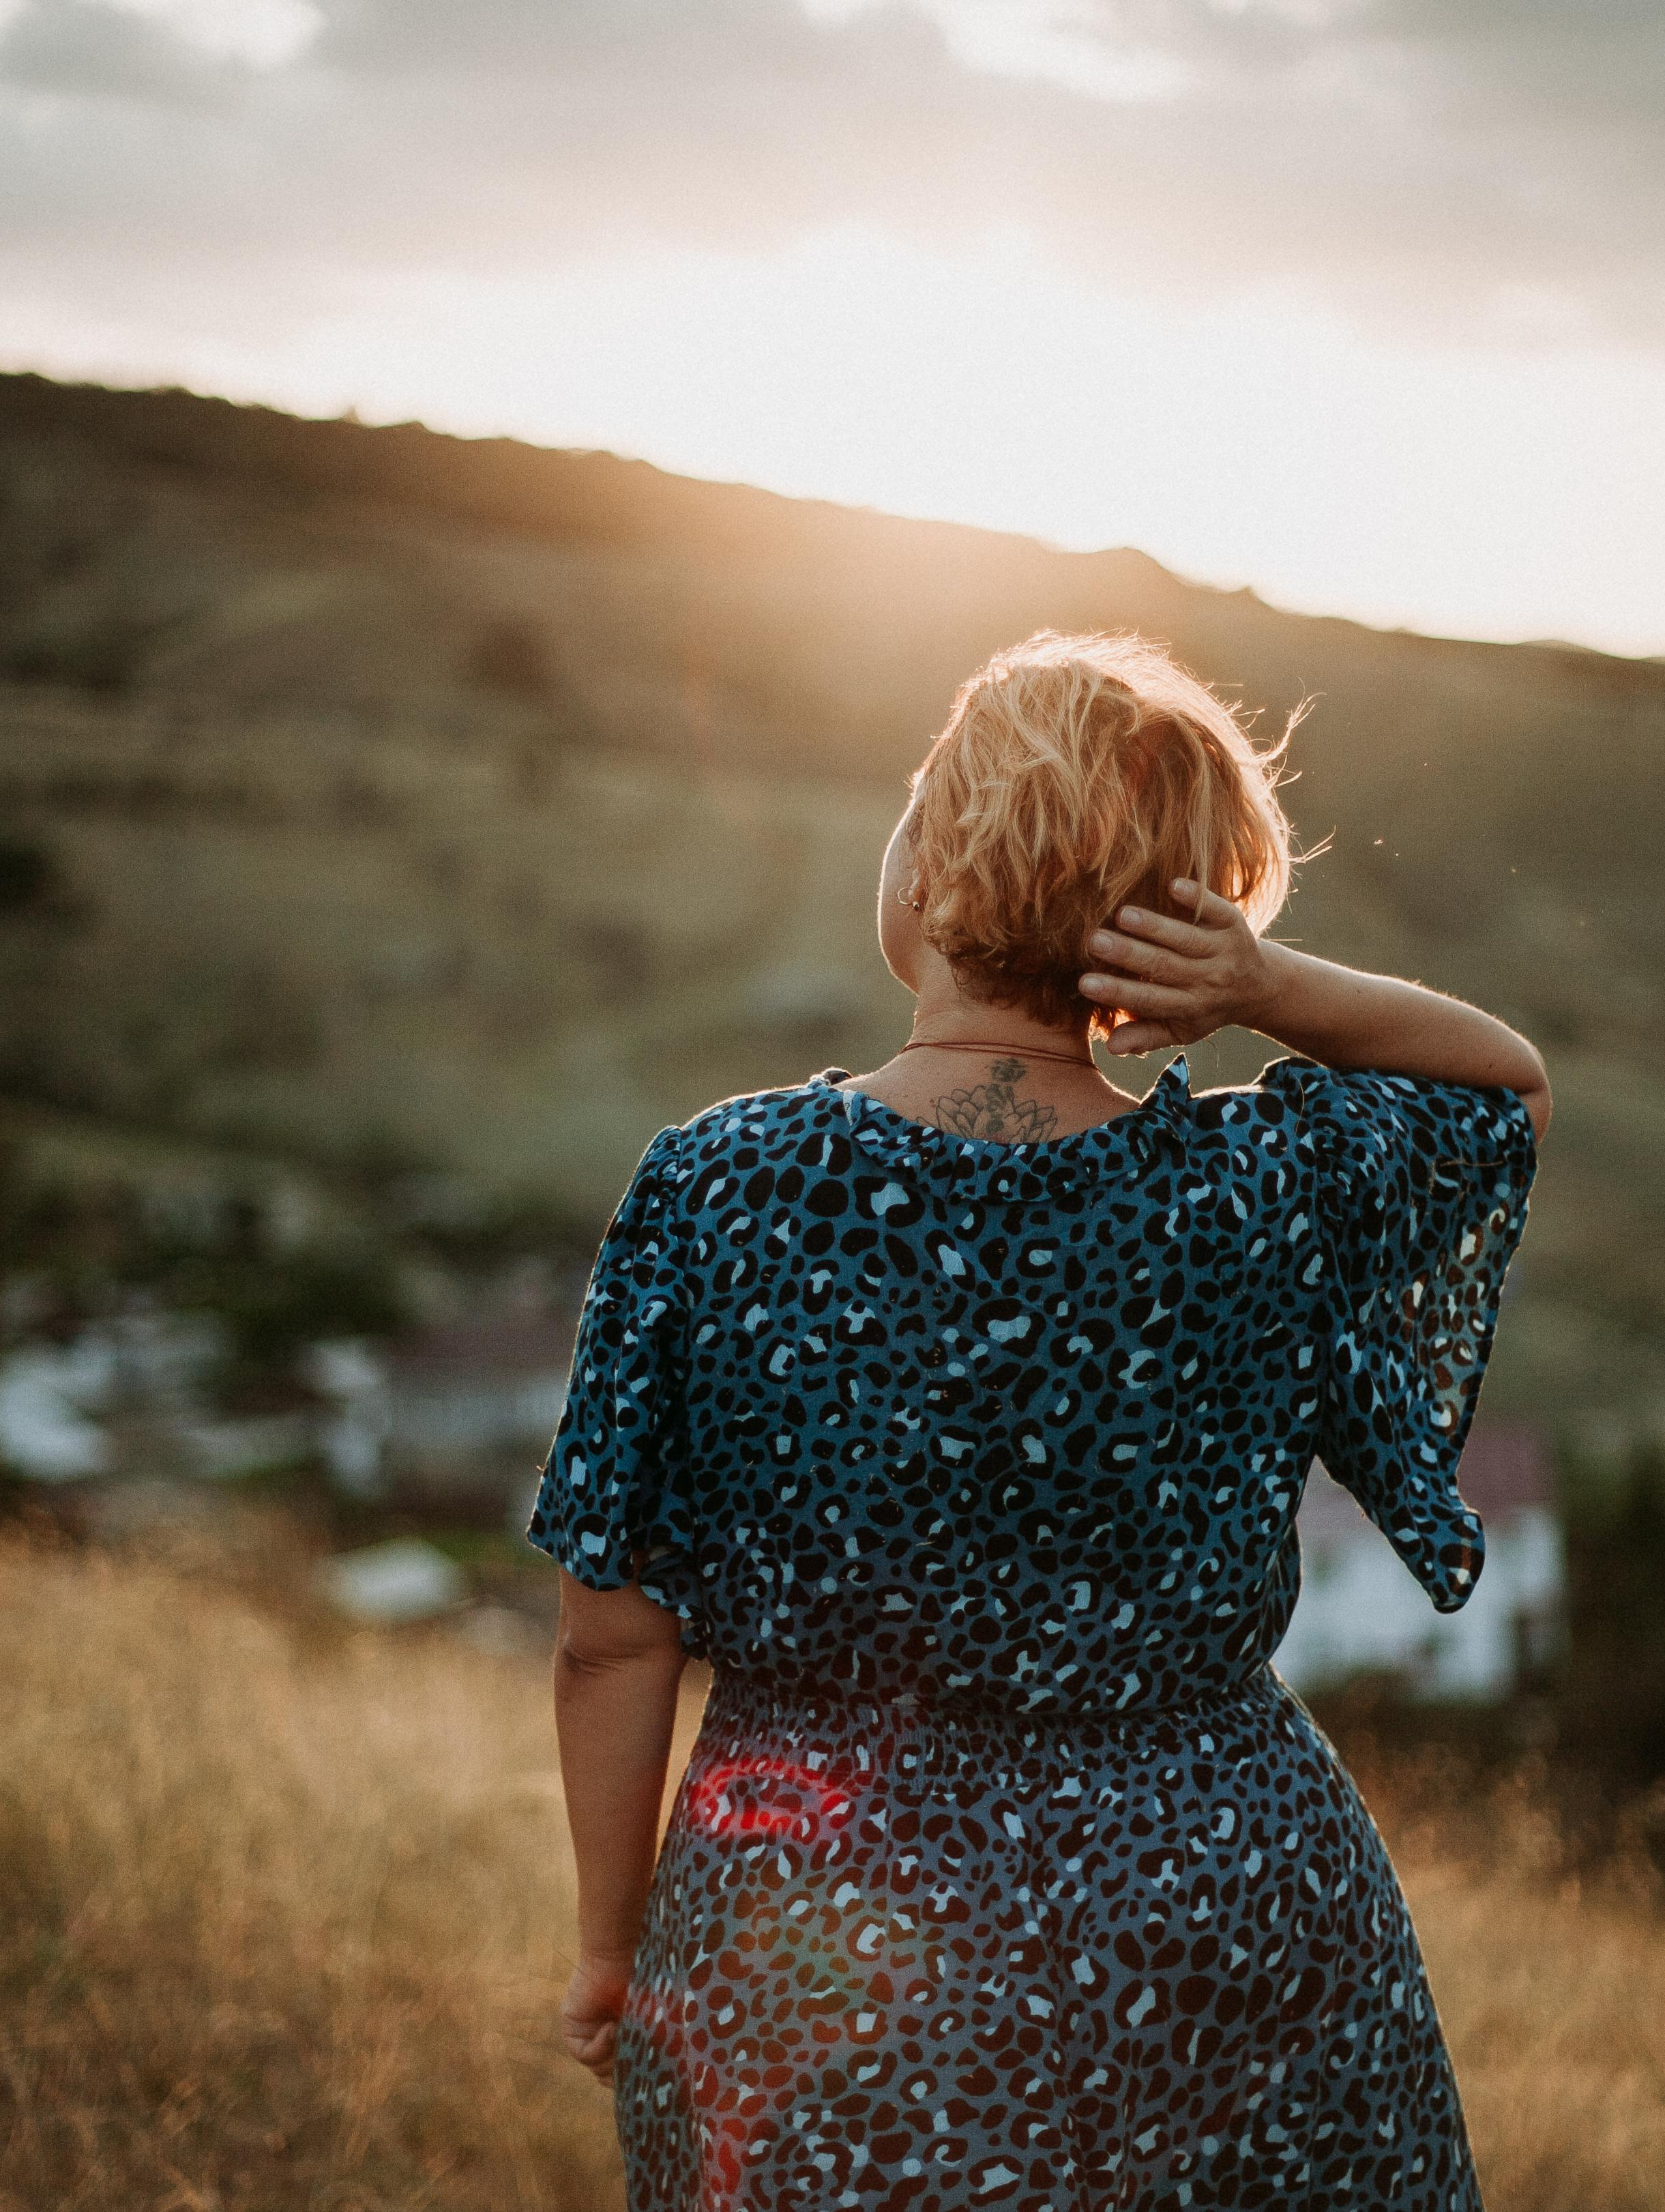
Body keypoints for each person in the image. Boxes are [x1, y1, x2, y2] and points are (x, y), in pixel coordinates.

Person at [529, 630, 1549, 2212]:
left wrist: (614, 1946)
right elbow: (1507, 1092)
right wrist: (1272, 989)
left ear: (931, 863)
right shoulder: (1257, 1189)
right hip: (1229, 1921)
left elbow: (614, 1634)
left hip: (810, 1928)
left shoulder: (714, 1185)